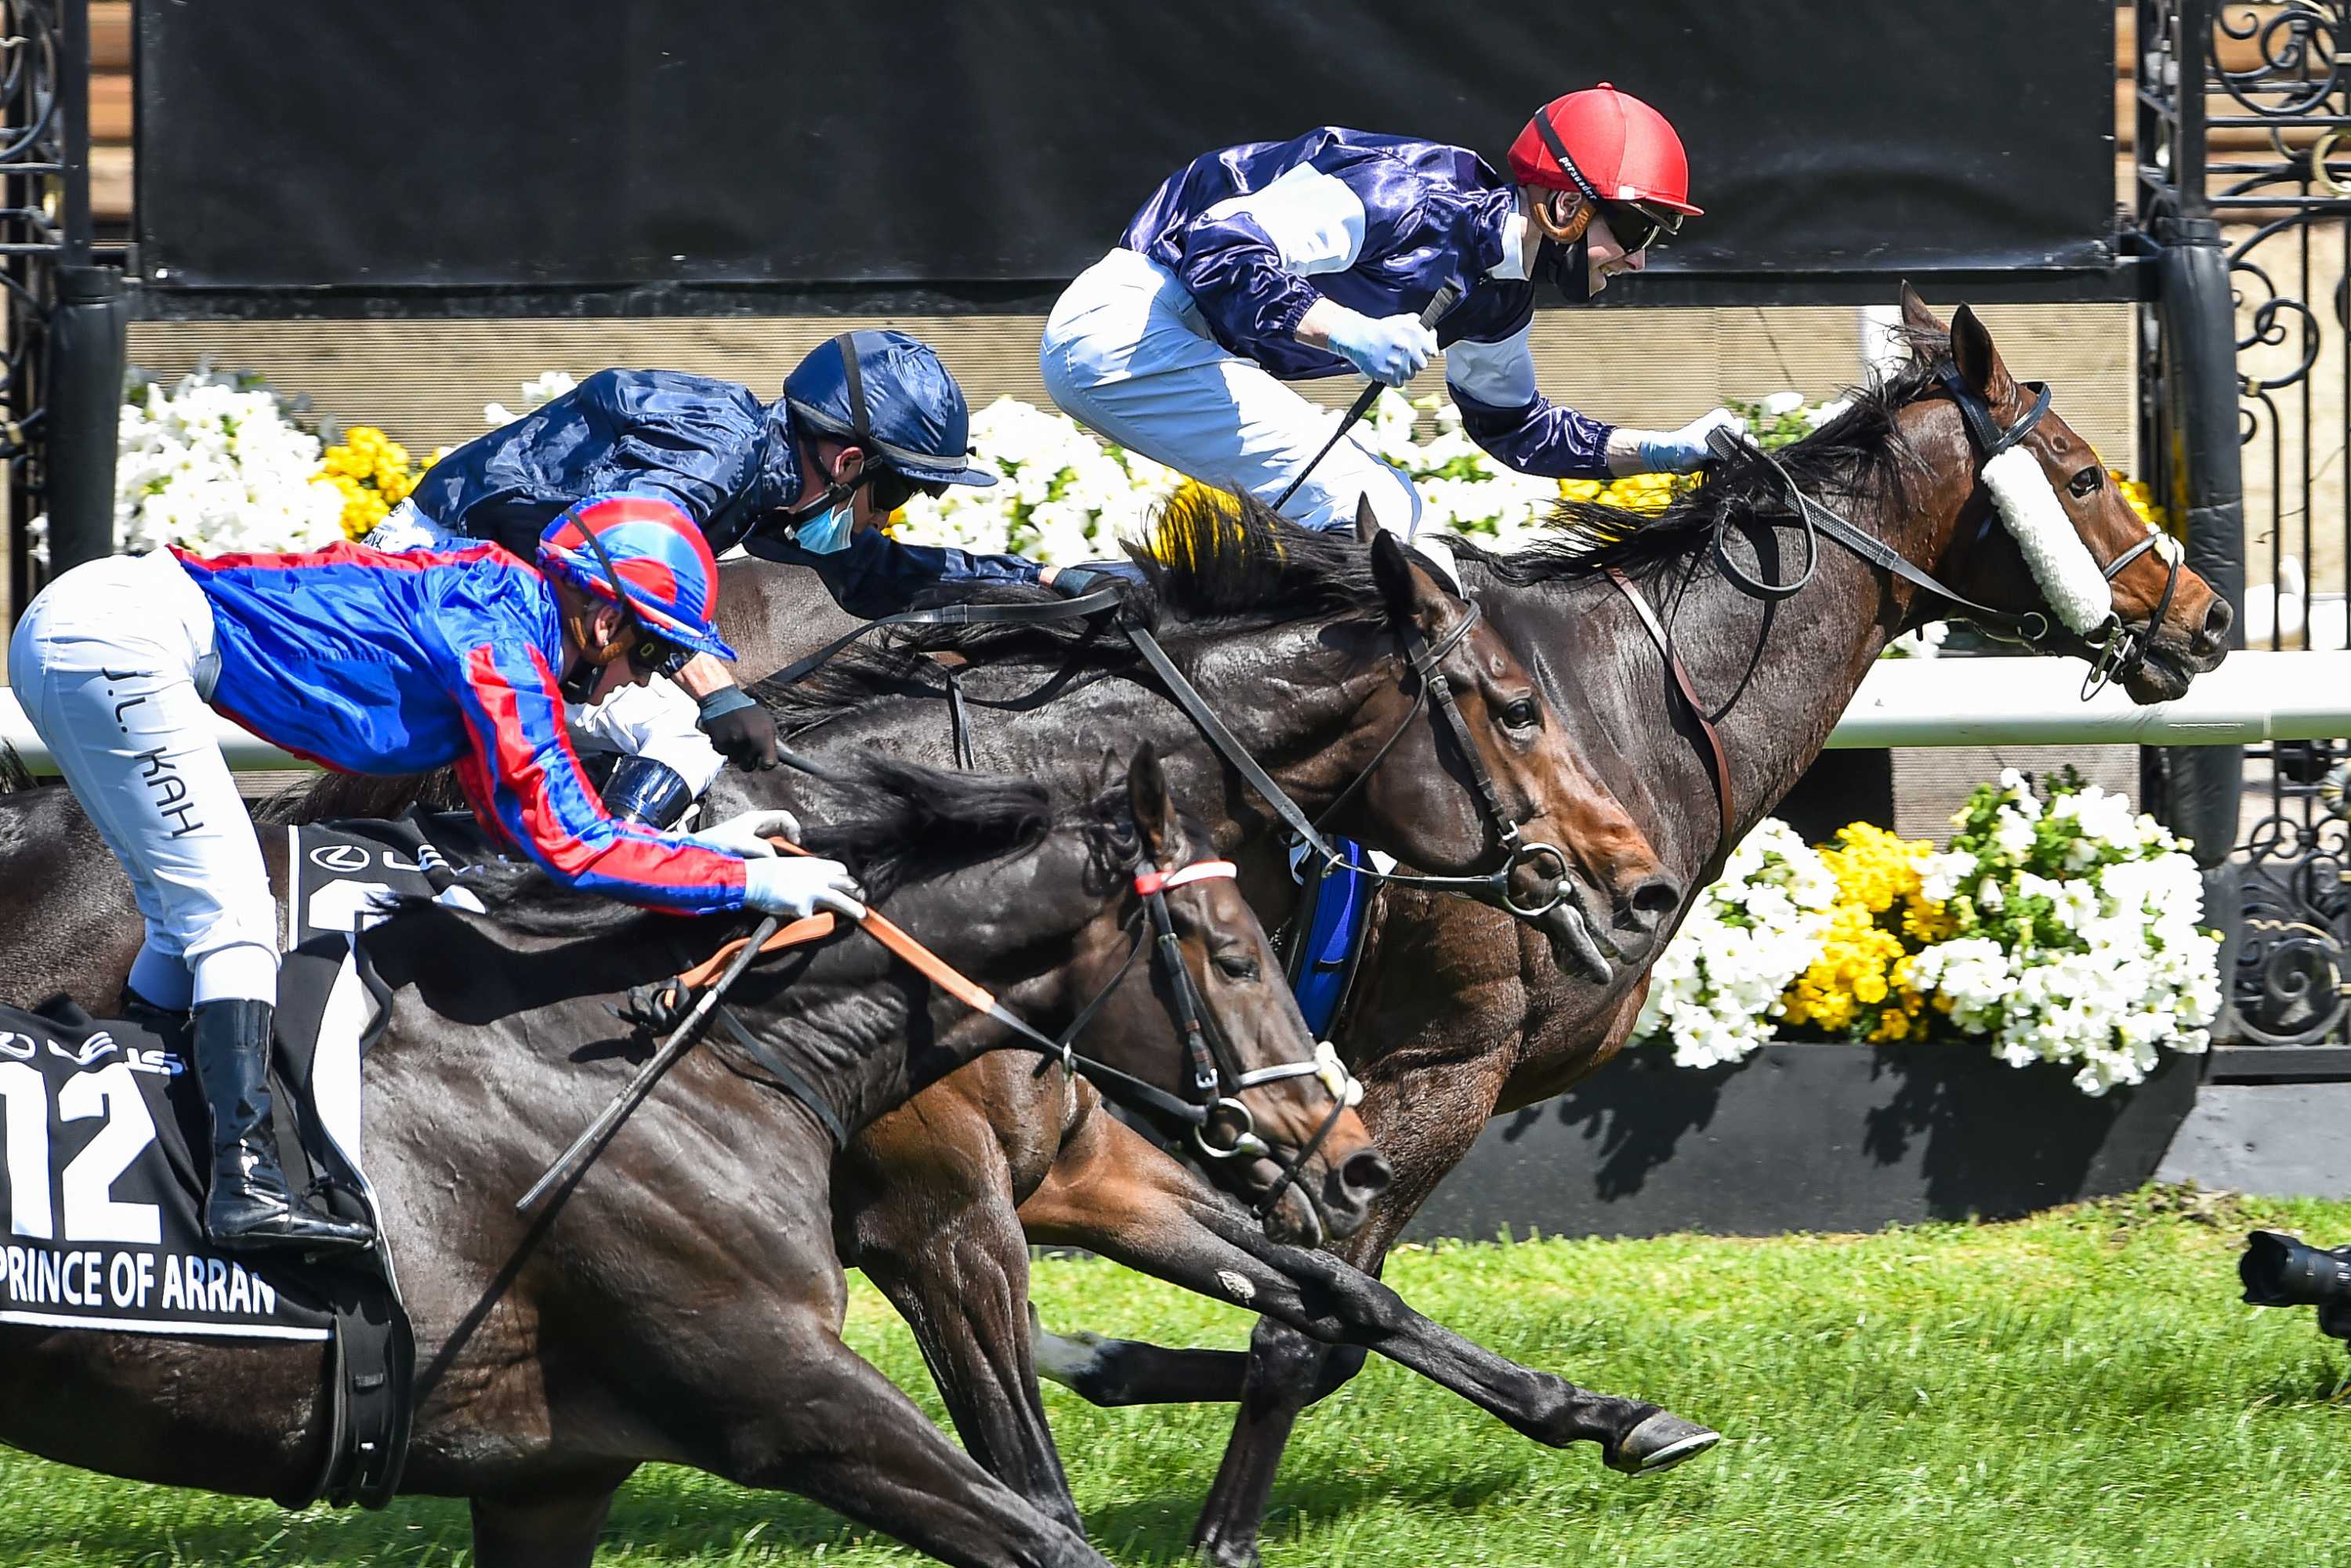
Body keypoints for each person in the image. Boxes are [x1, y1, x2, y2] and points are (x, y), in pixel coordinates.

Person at [5, 497, 861, 1255]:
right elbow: (573, 844)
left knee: (181, 925)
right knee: (232, 915)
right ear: (603, 622)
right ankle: (245, 1187)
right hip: (114, 642)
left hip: (103, 631)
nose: (640, 677)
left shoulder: (504, 617)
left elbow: (522, 828)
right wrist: (745, 886)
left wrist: (719, 853)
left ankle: (168, 1148)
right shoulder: (498, 643)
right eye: (648, 652)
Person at [370, 332, 1033, 827]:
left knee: (663, 725)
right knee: (683, 734)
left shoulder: (773, 484)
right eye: (895, 494)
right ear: (850, 462)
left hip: (512, 592)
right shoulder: (722, 448)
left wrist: (1040, 580)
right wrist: (716, 692)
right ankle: (578, 910)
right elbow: (616, 557)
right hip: (440, 577)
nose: (886, 518)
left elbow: (878, 579)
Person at [1038, 84, 1746, 546]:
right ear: (1566, 208)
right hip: (1124, 329)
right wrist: (1346, 330)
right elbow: (1219, 246)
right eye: (1637, 231)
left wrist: (1662, 451)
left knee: (1374, 512)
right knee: (1374, 503)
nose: (1639, 260)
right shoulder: (1407, 196)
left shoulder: (1501, 294)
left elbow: (1514, 427)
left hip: (1168, 347)